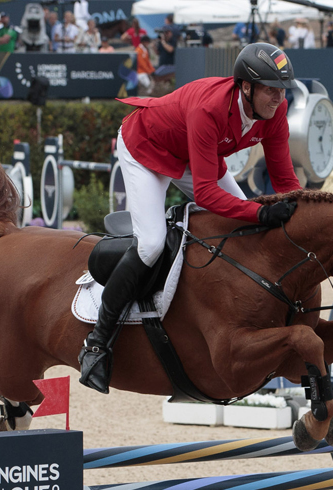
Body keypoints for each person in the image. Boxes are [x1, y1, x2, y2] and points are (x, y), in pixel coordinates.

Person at [78, 43, 303, 393]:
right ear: (246, 87)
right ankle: (97, 343)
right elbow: (210, 195)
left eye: (282, 90)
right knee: (151, 243)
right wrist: (260, 210)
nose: (278, 98)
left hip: (194, 153)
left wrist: (302, 214)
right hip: (146, 147)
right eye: (271, 90)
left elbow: (287, 183)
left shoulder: (275, 112)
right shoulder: (210, 108)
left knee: (247, 230)